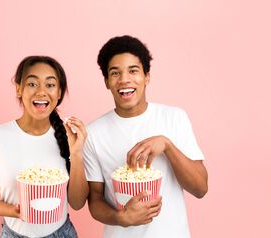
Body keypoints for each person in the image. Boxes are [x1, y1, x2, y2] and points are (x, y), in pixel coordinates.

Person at [84, 35, 208, 237]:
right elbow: (95, 200)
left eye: (133, 71)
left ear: (147, 76)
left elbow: (200, 188)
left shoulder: (174, 118)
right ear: (107, 81)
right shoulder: (93, 133)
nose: (124, 79)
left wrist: (167, 145)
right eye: (115, 73)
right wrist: (119, 218)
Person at [0, 56, 89, 237]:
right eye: (33, 84)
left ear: (59, 93)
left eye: (50, 85)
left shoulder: (71, 137)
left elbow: (78, 202)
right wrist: (14, 211)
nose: (41, 92)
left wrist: (77, 153)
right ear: (19, 89)